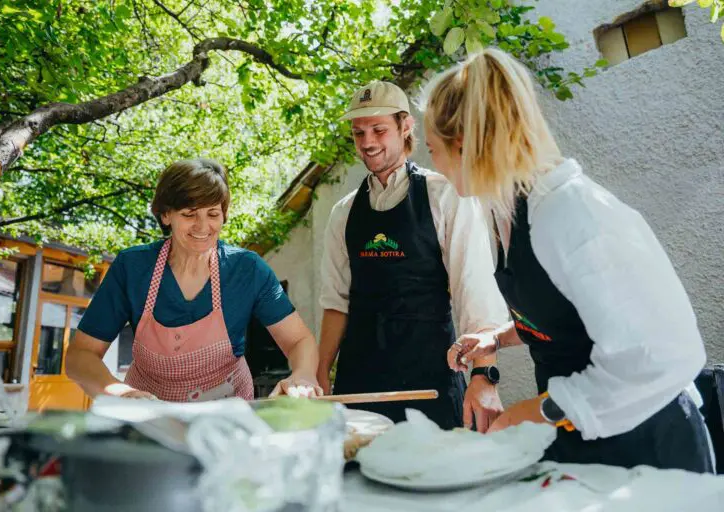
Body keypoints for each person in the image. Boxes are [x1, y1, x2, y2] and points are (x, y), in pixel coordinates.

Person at [424, 48, 713, 472]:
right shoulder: (505, 210)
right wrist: (499, 339)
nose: (432, 164)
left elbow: (659, 358)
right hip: (583, 445)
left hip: (649, 449)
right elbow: (569, 312)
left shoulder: (572, 212)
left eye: (432, 149)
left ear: (464, 147)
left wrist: (533, 412)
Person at [318, 81, 509, 430]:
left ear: (406, 126)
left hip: (431, 377)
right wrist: (319, 374)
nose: (368, 143)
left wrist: (485, 374)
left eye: (379, 130)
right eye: (359, 133)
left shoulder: (446, 195)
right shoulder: (343, 213)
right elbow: (335, 303)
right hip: (359, 385)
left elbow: (474, 289)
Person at [66, 159, 321, 401]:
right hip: (149, 413)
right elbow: (81, 355)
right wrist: (120, 393)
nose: (203, 227)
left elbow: (299, 340)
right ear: (166, 215)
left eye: (213, 214)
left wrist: (303, 375)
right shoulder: (132, 268)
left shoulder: (247, 269)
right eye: (189, 214)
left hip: (226, 413)